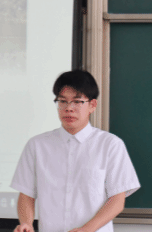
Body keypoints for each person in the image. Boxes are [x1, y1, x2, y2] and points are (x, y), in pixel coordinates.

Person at [11, 70, 140, 232]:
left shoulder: (110, 145)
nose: (69, 108)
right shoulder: (37, 145)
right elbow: (26, 194)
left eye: (77, 102)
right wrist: (27, 223)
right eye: (62, 101)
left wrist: (87, 229)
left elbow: (117, 200)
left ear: (92, 105)